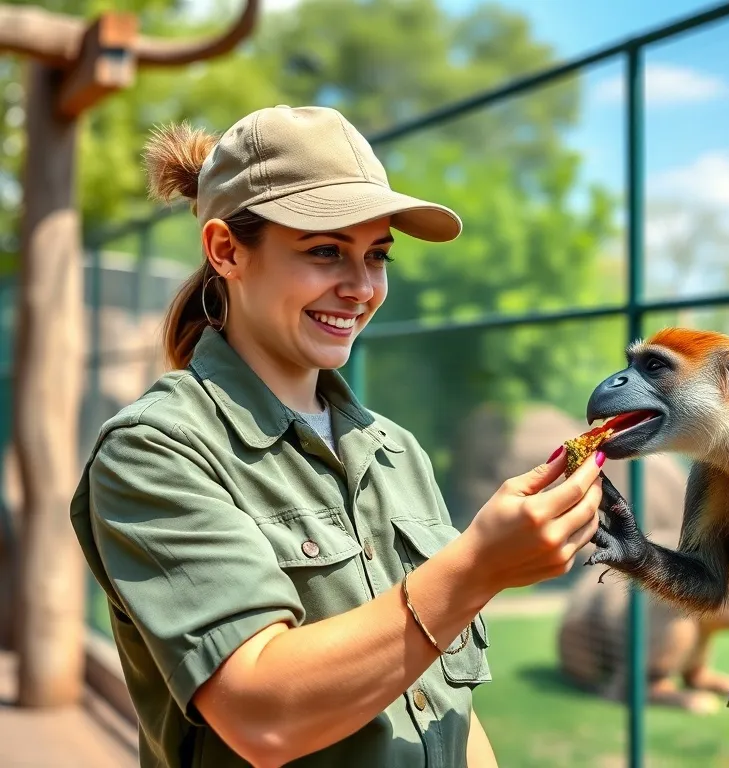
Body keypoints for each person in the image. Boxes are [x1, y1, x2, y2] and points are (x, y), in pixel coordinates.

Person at [69, 105, 605, 768]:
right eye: (325, 251)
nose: (360, 287)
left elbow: (446, 710)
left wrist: (475, 573)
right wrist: (477, 570)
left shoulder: (396, 451)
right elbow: (261, 713)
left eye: (375, 255)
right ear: (226, 250)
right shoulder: (154, 450)